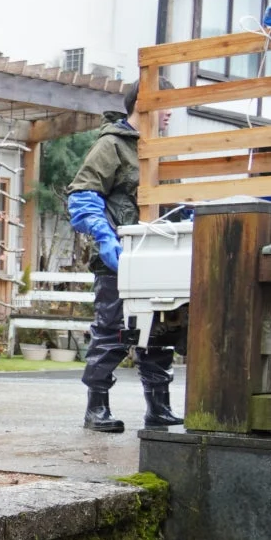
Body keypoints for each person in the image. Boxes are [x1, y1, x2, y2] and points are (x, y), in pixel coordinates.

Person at [67, 83, 180, 432]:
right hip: (119, 258)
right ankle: (96, 408)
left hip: (157, 259)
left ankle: (158, 408)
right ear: (143, 104)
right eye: (165, 104)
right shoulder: (112, 145)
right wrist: (104, 236)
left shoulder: (162, 150)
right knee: (113, 330)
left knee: (162, 329)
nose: (171, 112)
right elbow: (82, 194)